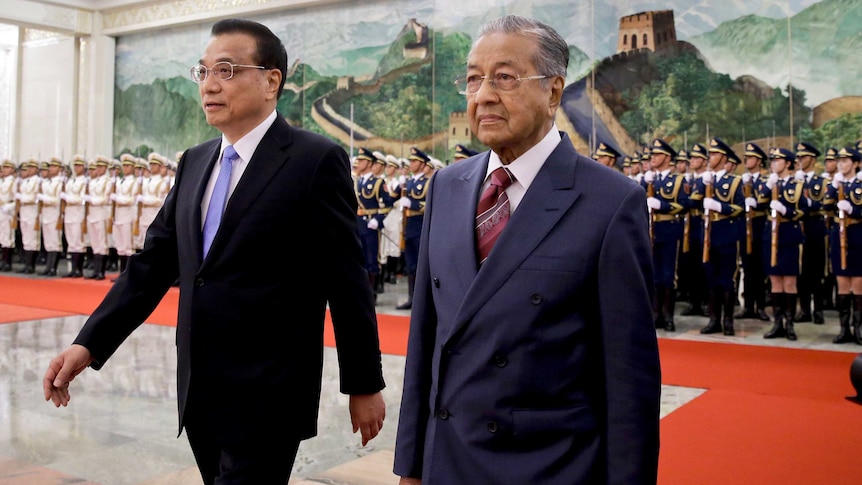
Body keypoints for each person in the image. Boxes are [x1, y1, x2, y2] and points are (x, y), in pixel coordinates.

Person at [43, 18, 386, 485]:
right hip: (199, 389)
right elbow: (150, 267)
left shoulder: (314, 161)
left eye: (226, 69)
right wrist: (89, 344)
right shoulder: (195, 161)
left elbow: (347, 280)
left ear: (271, 80)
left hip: (269, 393)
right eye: (202, 72)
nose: (209, 85)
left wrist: (364, 382)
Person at [394, 15, 660, 485]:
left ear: (554, 92)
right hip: (449, 460)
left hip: (548, 465)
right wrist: (411, 466)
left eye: (505, 78)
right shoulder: (447, 186)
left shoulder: (610, 202)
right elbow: (427, 342)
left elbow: (629, 380)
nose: (484, 95)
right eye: (473, 79)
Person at [696, 138, 745, 335]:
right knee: (711, 278)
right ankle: (713, 320)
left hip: (726, 234)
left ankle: (728, 321)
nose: (711, 157)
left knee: (727, 280)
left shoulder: (734, 182)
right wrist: (702, 185)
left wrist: (720, 207)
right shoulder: (706, 180)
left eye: (715, 154)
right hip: (708, 235)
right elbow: (692, 202)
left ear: (723, 157)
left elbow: (741, 208)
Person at [759, 148, 808, 340]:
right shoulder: (769, 183)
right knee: (775, 280)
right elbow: (758, 202)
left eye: (777, 160)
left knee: (789, 281)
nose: (773, 163)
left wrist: (786, 211)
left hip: (788, 234)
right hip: (770, 235)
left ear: (787, 163)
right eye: (772, 160)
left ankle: (790, 324)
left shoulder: (797, 186)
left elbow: (804, 211)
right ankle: (777, 323)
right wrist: (768, 187)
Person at [642, 138, 689, 332]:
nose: (653, 157)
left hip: (670, 228)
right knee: (652, 273)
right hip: (652, 230)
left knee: (669, 274)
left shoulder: (678, 180)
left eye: (657, 154)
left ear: (667, 157)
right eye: (652, 154)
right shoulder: (648, 180)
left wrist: (663, 205)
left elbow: (685, 205)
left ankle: (668, 315)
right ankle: (654, 314)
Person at [824, 147, 862, 344]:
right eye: (839, 160)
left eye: (846, 160)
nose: (841, 164)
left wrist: (853, 210)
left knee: (858, 284)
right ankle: (844, 328)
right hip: (838, 235)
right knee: (842, 284)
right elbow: (826, 206)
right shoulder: (836, 184)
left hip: (857, 234)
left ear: (856, 163)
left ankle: (858, 329)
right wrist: (833, 186)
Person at [736, 142, 771, 321]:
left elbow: (768, 201)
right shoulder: (741, 180)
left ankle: (761, 306)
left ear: (758, 161)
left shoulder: (767, 180)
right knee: (747, 268)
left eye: (749, 158)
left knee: (761, 268)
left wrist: (756, 202)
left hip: (760, 226)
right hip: (745, 228)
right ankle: (748, 306)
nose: (746, 161)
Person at [794, 142, 828, 324]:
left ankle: (819, 309)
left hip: (815, 226)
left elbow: (824, 204)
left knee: (816, 271)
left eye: (804, 157)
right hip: (797, 226)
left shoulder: (821, 182)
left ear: (813, 159)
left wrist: (807, 203)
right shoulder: (794, 181)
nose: (800, 160)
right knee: (801, 271)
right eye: (798, 157)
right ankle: (805, 309)